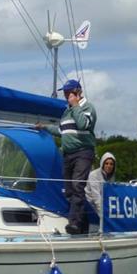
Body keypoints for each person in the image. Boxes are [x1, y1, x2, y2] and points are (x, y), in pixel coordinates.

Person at [39, 79, 97, 234]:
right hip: (68, 154)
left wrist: (76, 105)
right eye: (65, 93)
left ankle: (75, 224)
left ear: (77, 92)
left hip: (83, 152)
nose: (66, 96)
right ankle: (83, 225)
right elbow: (61, 130)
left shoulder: (87, 107)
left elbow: (83, 124)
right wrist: (44, 128)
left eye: (69, 92)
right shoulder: (67, 112)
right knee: (69, 190)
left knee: (78, 186)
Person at [86, 151, 116, 216]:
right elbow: (96, 197)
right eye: (106, 163)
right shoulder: (93, 175)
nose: (109, 166)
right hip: (89, 205)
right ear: (102, 164)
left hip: (103, 206)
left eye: (111, 164)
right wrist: (104, 215)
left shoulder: (112, 177)